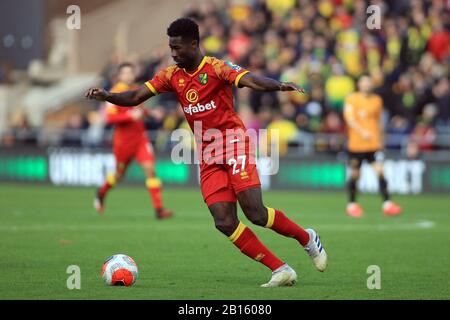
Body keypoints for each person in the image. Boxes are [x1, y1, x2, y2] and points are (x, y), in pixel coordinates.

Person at [86, 18, 327, 287]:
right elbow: (134, 97)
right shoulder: (171, 76)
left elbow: (249, 80)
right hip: (208, 152)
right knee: (223, 221)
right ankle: (280, 269)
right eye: (170, 48)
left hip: (234, 142)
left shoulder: (216, 68)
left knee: (255, 213)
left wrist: (280, 85)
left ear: (193, 44)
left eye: (178, 48)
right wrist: (107, 95)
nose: (173, 53)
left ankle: (306, 238)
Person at [94, 62, 173, 219]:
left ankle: (159, 210)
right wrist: (128, 116)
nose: (128, 76)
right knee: (118, 176)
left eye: (130, 73)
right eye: (125, 73)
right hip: (123, 143)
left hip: (140, 140)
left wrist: (151, 114)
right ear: (119, 76)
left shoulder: (136, 89)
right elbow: (109, 118)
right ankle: (101, 192)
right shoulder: (113, 93)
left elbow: (140, 110)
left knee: (150, 170)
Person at [343, 75, 402, 218]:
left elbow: (379, 121)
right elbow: (349, 118)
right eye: (364, 82)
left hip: (373, 144)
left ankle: (387, 204)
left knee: (380, 171)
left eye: (369, 82)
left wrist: (381, 139)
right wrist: (361, 131)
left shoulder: (377, 100)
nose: (366, 85)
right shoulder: (352, 99)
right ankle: (352, 204)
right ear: (359, 84)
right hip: (356, 144)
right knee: (355, 174)